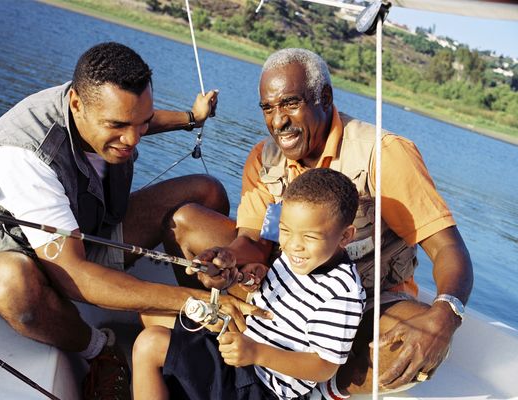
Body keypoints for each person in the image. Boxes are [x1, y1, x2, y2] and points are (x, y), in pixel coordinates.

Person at [0, 42, 268, 400]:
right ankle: (101, 350)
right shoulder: (24, 156)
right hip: (36, 259)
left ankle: (213, 325)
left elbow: (135, 118)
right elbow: (74, 275)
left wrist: (191, 118)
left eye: (141, 123)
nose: (132, 139)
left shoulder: (110, 113)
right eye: (117, 126)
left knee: (206, 191)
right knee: (7, 284)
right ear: (76, 105)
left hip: (90, 227)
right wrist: (191, 301)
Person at [170, 48, 473, 395]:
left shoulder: (384, 153)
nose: (278, 120)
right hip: (285, 286)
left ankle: (326, 389)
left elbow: (448, 246)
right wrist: (227, 257)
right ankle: (240, 345)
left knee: (408, 347)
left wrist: (445, 316)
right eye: (268, 108)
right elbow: (253, 241)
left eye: (290, 103)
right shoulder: (262, 157)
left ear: (324, 98)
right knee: (187, 222)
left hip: (368, 298)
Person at [132, 168, 366, 400]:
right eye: (285, 231)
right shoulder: (297, 257)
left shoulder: (343, 292)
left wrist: (256, 353)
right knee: (150, 315)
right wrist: (257, 280)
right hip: (241, 348)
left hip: (262, 385)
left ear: (345, 236)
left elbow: (325, 366)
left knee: (150, 344)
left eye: (310, 237)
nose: (294, 245)